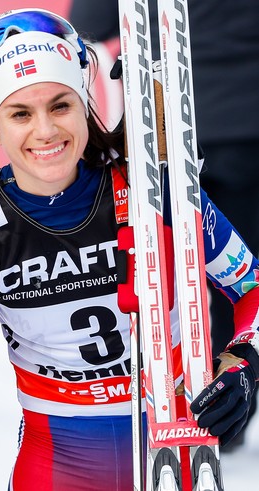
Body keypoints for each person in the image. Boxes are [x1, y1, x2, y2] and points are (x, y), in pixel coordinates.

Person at [0, 8, 259, 490]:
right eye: (20, 113)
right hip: (55, 469)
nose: (45, 131)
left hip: (175, 457)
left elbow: (252, 286)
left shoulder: (155, 190)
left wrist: (244, 363)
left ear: (84, 103)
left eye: (61, 106)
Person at [68, 0, 259, 452]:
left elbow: (87, 24)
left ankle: (203, 399)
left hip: (172, 128)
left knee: (181, 277)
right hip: (224, 125)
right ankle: (225, 403)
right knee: (230, 270)